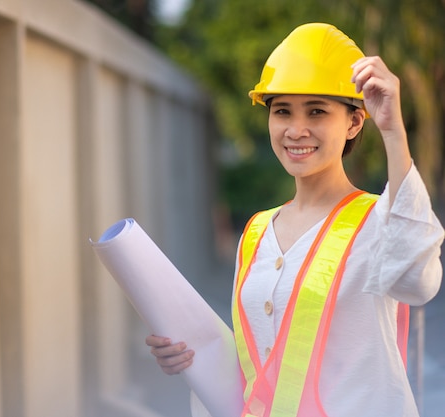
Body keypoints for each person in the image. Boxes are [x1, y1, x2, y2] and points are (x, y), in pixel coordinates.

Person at [145, 23, 444, 417]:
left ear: (354, 122)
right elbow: (261, 368)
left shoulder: (381, 219)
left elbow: (419, 282)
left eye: (317, 111)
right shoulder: (255, 233)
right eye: (282, 111)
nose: (296, 129)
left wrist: (393, 131)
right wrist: (191, 359)